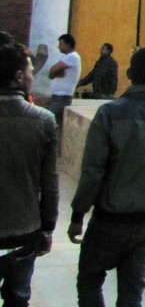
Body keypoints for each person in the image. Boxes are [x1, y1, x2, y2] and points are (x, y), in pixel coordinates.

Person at [69, 46, 145, 307]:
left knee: (89, 280)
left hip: (110, 218)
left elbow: (92, 171)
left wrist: (78, 215)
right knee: (132, 290)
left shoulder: (109, 113)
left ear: (129, 73)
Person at [0, 42, 58, 307]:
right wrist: (47, 228)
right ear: (19, 76)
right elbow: (49, 183)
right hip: (24, 233)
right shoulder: (43, 120)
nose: (33, 76)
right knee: (18, 297)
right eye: (31, 70)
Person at [46, 32, 81, 129]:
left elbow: (52, 70)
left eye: (61, 44)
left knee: (49, 124)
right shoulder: (68, 57)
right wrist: (56, 73)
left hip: (61, 97)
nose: (58, 47)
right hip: (58, 97)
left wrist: (56, 73)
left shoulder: (72, 56)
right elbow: (51, 74)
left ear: (68, 44)